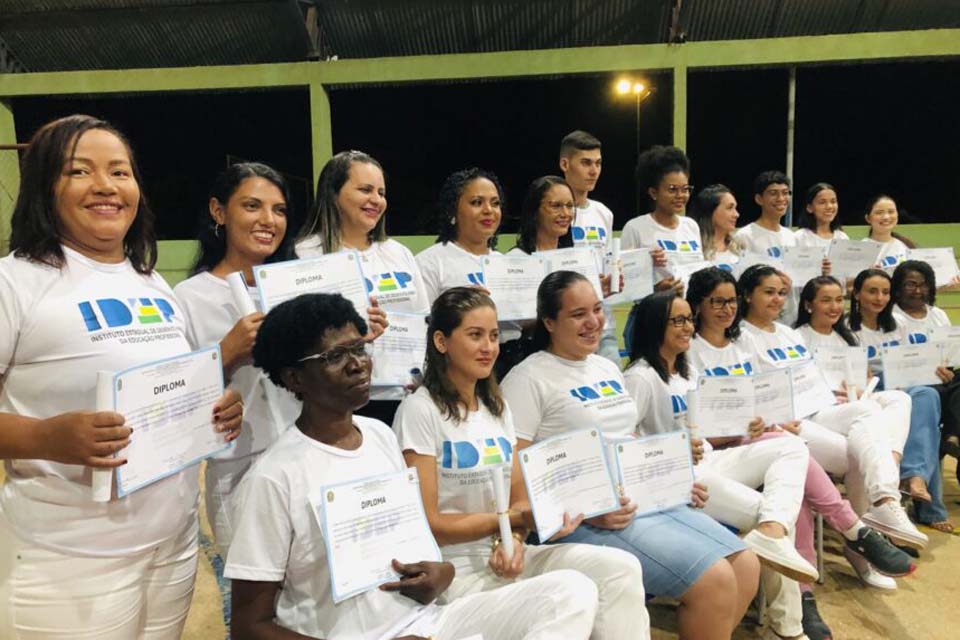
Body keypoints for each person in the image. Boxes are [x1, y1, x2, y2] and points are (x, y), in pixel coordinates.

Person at [226, 293, 600, 640]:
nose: (357, 364)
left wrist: (442, 573)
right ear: (293, 378)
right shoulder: (272, 479)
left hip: (429, 622)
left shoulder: (379, 436)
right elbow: (248, 626)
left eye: (359, 347)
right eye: (334, 357)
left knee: (571, 591)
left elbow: (418, 542)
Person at [0, 114, 242, 638]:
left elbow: (168, 387)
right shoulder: (14, 282)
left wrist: (213, 406)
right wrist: (45, 436)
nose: (106, 186)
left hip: (170, 547)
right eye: (80, 171)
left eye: (120, 172)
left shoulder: (152, 284)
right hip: (67, 558)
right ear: (45, 186)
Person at [502, 272, 758, 640]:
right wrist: (588, 505)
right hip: (586, 518)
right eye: (578, 315)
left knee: (745, 564)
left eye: (596, 310)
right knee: (714, 578)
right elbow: (516, 475)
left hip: (641, 498)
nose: (593, 323)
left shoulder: (606, 367)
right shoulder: (527, 379)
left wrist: (674, 480)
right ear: (548, 321)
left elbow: (631, 437)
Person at [395, 286, 650, 640]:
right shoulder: (419, 411)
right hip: (453, 570)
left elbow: (517, 496)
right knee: (572, 591)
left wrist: (511, 537)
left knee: (620, 567)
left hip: (505, 553)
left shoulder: (496, 408)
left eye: (494, 335)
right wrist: (511, 522)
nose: (488, 347)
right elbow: (429, 522)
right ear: (441, 341)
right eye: (475, 335)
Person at [684, 267, 913, 638]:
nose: (726, 309)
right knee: (793, 456)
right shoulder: (691, 351)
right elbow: (702, 423)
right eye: (717, 302)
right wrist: (747, 428)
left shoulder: (742, 342)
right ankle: (855, 531)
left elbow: (765, 394)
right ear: (699, 306)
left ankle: (805, 597)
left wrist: (767, 420)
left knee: (802, 463)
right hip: (728, 448)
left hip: (762, 435)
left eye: (730, 301)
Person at [738, 265, 927, 550]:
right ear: (748, 296)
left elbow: (810, 377)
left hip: (824, 408)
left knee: (898, 400)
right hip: (795, 422)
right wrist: (775, 419)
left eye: (780, 293)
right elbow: (752, 390)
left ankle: (881, 499)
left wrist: (842, 392)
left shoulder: (786, 334)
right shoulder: (742, 336)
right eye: (768, 292)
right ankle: (880, 514)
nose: (777, 299)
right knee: (864, 442)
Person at [174, 162, 303, 552]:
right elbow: (174, 396)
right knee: (255, 599)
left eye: (279, 210)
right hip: (238, 468)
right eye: (252, 206)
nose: (268, 220)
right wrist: (225, 354)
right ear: (219, 212)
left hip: (305, 454)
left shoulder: (295, 287)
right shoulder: (188, 297)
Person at [296, 150, 420, 425]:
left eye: (381, 192)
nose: (376, 200)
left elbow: (422, 318)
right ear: (333, 193)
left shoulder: (399, 253)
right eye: (365, 190)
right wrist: (351, 337)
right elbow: (295, 339)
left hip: (404, 396)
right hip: (334, 403)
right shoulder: (304, 255)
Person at [849, 267, 953, 532]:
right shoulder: (848, 328)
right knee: (922, 408)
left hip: (902, 384)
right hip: (868, 390)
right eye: (872, 291)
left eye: (884, 292)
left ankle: (915, 477)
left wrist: (936, 370)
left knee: (926, 396)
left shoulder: (897, 326)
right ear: (857, 293)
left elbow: (913, 362)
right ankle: (927, 499)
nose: (879, 297)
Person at [890, 260, 960, 485]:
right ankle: (951, 434)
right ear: (898, 287)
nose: (918, 290)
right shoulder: (890, 316)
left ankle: (952, 436)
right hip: (912, 384)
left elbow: (948, 353)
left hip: (941, 378)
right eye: (910, 284)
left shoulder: (938, 315)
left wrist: (946, 369)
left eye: (923, 284)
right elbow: (898, 361)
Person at [558, 130, 620, 364]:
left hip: (603, 322)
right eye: (585, 163)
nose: (593, 171)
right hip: (568, 323)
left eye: (598, 163)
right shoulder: (551, 213)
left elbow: (608, 264)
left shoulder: (604, 213)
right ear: (565, 163)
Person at [734, 171, 828, 326]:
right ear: (759, 199)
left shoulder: (791, 236)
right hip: (758, 320)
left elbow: (801, 280)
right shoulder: (745, 236)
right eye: (773, 193)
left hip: (791, 317)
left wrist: (819, 272)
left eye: (785, 193)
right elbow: (742, 281)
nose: (781, 199)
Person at [415, 167, 504, 304]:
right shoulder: (429, 263)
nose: (489, 210)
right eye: (476, 202)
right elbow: (420, 321)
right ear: (452, 211)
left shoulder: (505, 264)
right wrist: (461, 307)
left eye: (495, 203)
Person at [689, 184, 741, 272]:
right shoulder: (693, 246)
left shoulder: (741, 244)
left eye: (735, 208)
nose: (736, 214)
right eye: (729, 208)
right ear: (710, 211)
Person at [862, 194, 913, 273]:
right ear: (868, 218)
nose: (886, 217)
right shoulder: (861, 248)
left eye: (891, 212)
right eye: (879, 212)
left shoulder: (905, 247)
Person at [793, 183, 849, 250]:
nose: (829, 206)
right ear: (809, 208)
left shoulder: (842, 238)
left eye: (833, 201)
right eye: (822, 202)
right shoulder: (799, 238)